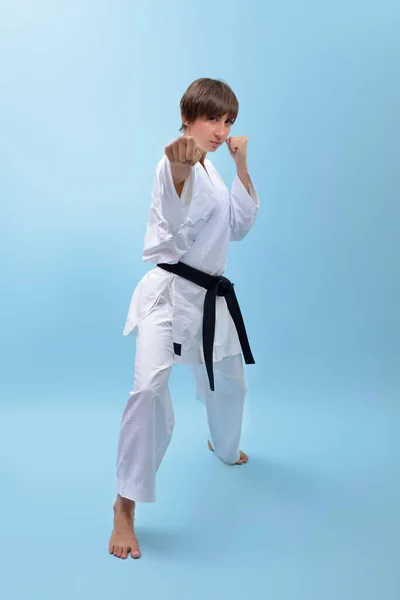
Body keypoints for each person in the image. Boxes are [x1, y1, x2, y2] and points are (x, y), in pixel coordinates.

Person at [109, 77, 260, 559]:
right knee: (149, 392)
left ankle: (224, 445)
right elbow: (169, 223)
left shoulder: (214, 169)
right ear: (189, 116)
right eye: (213, 118)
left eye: (227, 120)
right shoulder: (175, 162)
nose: (221, 128)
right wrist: (177, 172)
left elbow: (237, 225)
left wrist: (240, 163)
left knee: (231, 382)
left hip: (210, 301)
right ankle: (125, 506)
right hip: (169, 295)